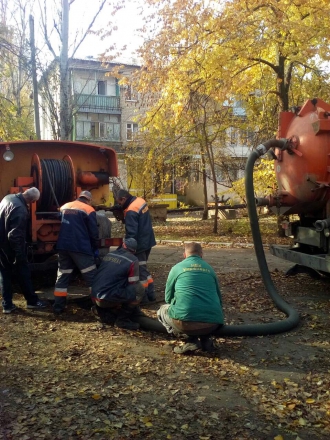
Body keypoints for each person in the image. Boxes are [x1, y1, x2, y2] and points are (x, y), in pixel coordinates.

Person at [157, 242, 224, 354]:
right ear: (201, 254)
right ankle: (205, 340)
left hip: (185, 323)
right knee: (205, 312)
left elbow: (168, 298)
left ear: (185, 255)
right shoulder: (210, 269)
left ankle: (189, 339)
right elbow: (219, 300)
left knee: (161, 311)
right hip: (213, 323)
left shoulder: (176, 268)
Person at [0, 187, 47, 313]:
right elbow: (14, 235)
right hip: (10, 247)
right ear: (32, 200)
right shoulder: (21, 210)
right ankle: (32, 301)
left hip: (1, 244)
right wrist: (19, 255)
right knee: (24, 273)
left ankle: (7, 305)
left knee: (5, 274)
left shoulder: (8, 198)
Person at [53, 190, 99, 314]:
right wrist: (95, 248)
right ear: (88, 200)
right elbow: (94, 233)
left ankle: (58, 306)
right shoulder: (89, 210)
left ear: (79, 197)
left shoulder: (65, 206)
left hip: (63, 246)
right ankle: (99, 307)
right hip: (80, 247)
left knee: (62, 275)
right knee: (91, 277)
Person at [91, 237, 145, 330]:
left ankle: (101, 310)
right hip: (106, 299)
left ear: (123, 245)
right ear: (134, 250)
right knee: (139, 289)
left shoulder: (110, 254)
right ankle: (122, 320)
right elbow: (133, 282)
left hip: (94, 295)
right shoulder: (133, 260)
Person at [115, 189, 156, 303]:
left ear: (124, 199)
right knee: (144, 268)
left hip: (140, 245)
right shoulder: (140, 201)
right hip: (148, 241)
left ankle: (144, 298)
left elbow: (131, 233)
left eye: (119, 202)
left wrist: (125, 248)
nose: (120, 205)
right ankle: (151, 294)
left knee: (140, 271)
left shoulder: (131, 211)